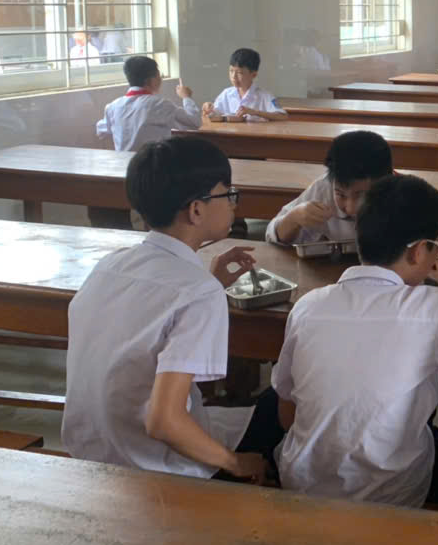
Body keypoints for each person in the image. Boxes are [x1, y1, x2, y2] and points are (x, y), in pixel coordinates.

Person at [62, 137, 283, 481]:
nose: (233, 204)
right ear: (196, 210)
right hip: (153, 471)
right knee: (279, 401)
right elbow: (163, 421)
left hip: (90, 451)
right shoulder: (198, 292)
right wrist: (237, 463)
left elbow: (148, 315)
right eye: (228, 194)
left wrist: (210, 281)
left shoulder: (111, 264)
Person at [273, 174, 438, 506]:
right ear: (419, 251)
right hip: (390, 496)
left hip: (301, 484)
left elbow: (286, 411)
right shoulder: (435, 308)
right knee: (426, 436)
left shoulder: (308, 305)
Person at [266, 131, 393, 245]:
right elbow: (273, 237)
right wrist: (294, 217)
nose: (350, 209)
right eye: (340, 195)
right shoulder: (324, 187)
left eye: (362, 195)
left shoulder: (400, 195)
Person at [96, 55, 201, 152]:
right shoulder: (161, 105)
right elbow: (194, 123)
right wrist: (186, 97)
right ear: (151, 80)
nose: (160, 79)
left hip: (125, 164)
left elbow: (100, 131)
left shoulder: (113, 106)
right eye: (159, 75)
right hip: (153, 164)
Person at [203, 48, 286, 123]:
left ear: (253, 75)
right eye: (231, 71)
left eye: (239, 72)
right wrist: (208, 108)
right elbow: (214, 113)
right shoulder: (226, 94)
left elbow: (283, 116)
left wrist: (255, 112)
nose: (233, 76)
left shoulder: (264, 96)